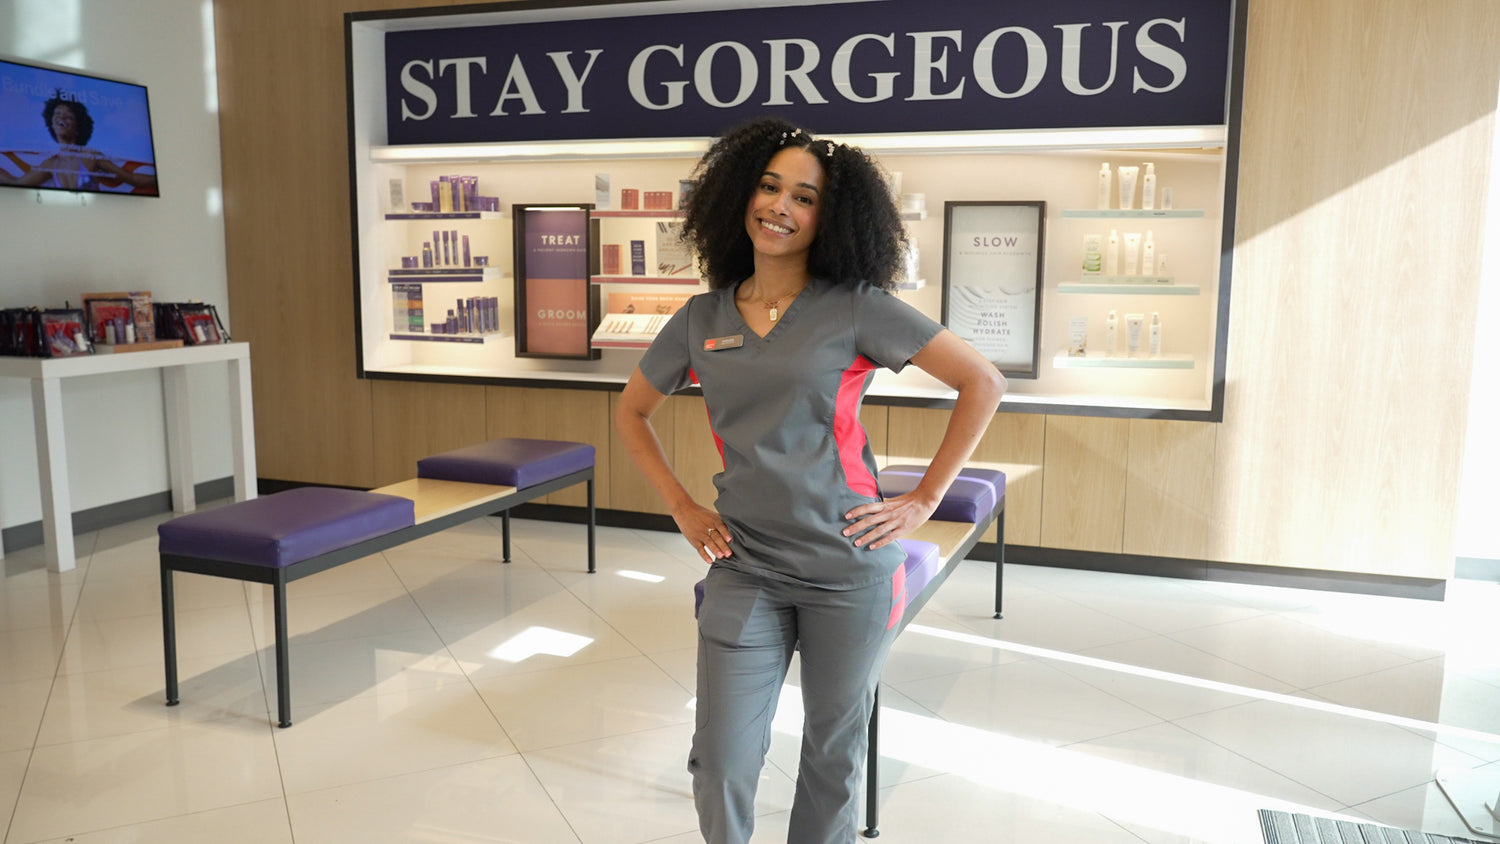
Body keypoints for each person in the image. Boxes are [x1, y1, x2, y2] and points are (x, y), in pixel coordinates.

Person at [614, 117, 1005, 843]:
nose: (780, 207)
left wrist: (922, 500)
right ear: (739, 196)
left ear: (830, 218)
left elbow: (981, 380)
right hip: (745, 565)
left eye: (804, 197)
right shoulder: (703, 317)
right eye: (768, 187)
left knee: (832, 754)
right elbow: (633, 411)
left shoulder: (855, 305)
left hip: (847, 565)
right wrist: (680, 505)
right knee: (722, 762)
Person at [0, 91, 157, 192]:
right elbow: (18, 182)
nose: (61, 117)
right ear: (51, 124)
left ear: (77, 126)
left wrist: (167, 180)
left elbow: (133, 179)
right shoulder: (50, 164)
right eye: (57, 114)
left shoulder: (91, 156)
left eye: (68, 115)